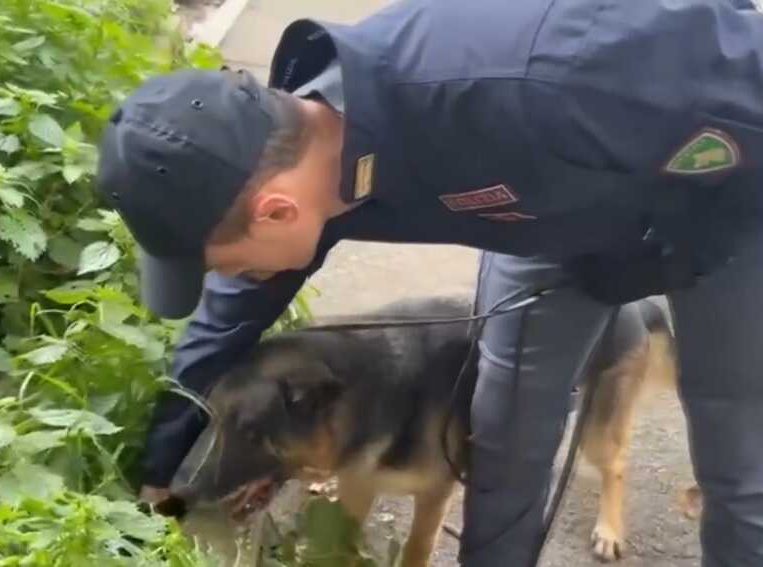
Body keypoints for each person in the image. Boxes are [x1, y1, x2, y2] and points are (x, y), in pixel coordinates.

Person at [93, 0, 763, 565]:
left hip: (724, 204)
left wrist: (672, 256)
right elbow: (221, 329)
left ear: (276, 211)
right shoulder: (298, 151)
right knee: (504, 436)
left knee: (735, 455)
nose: (231, 281)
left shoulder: (544, 79)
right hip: (549, 222)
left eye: (225, 263)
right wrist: (161, 481)